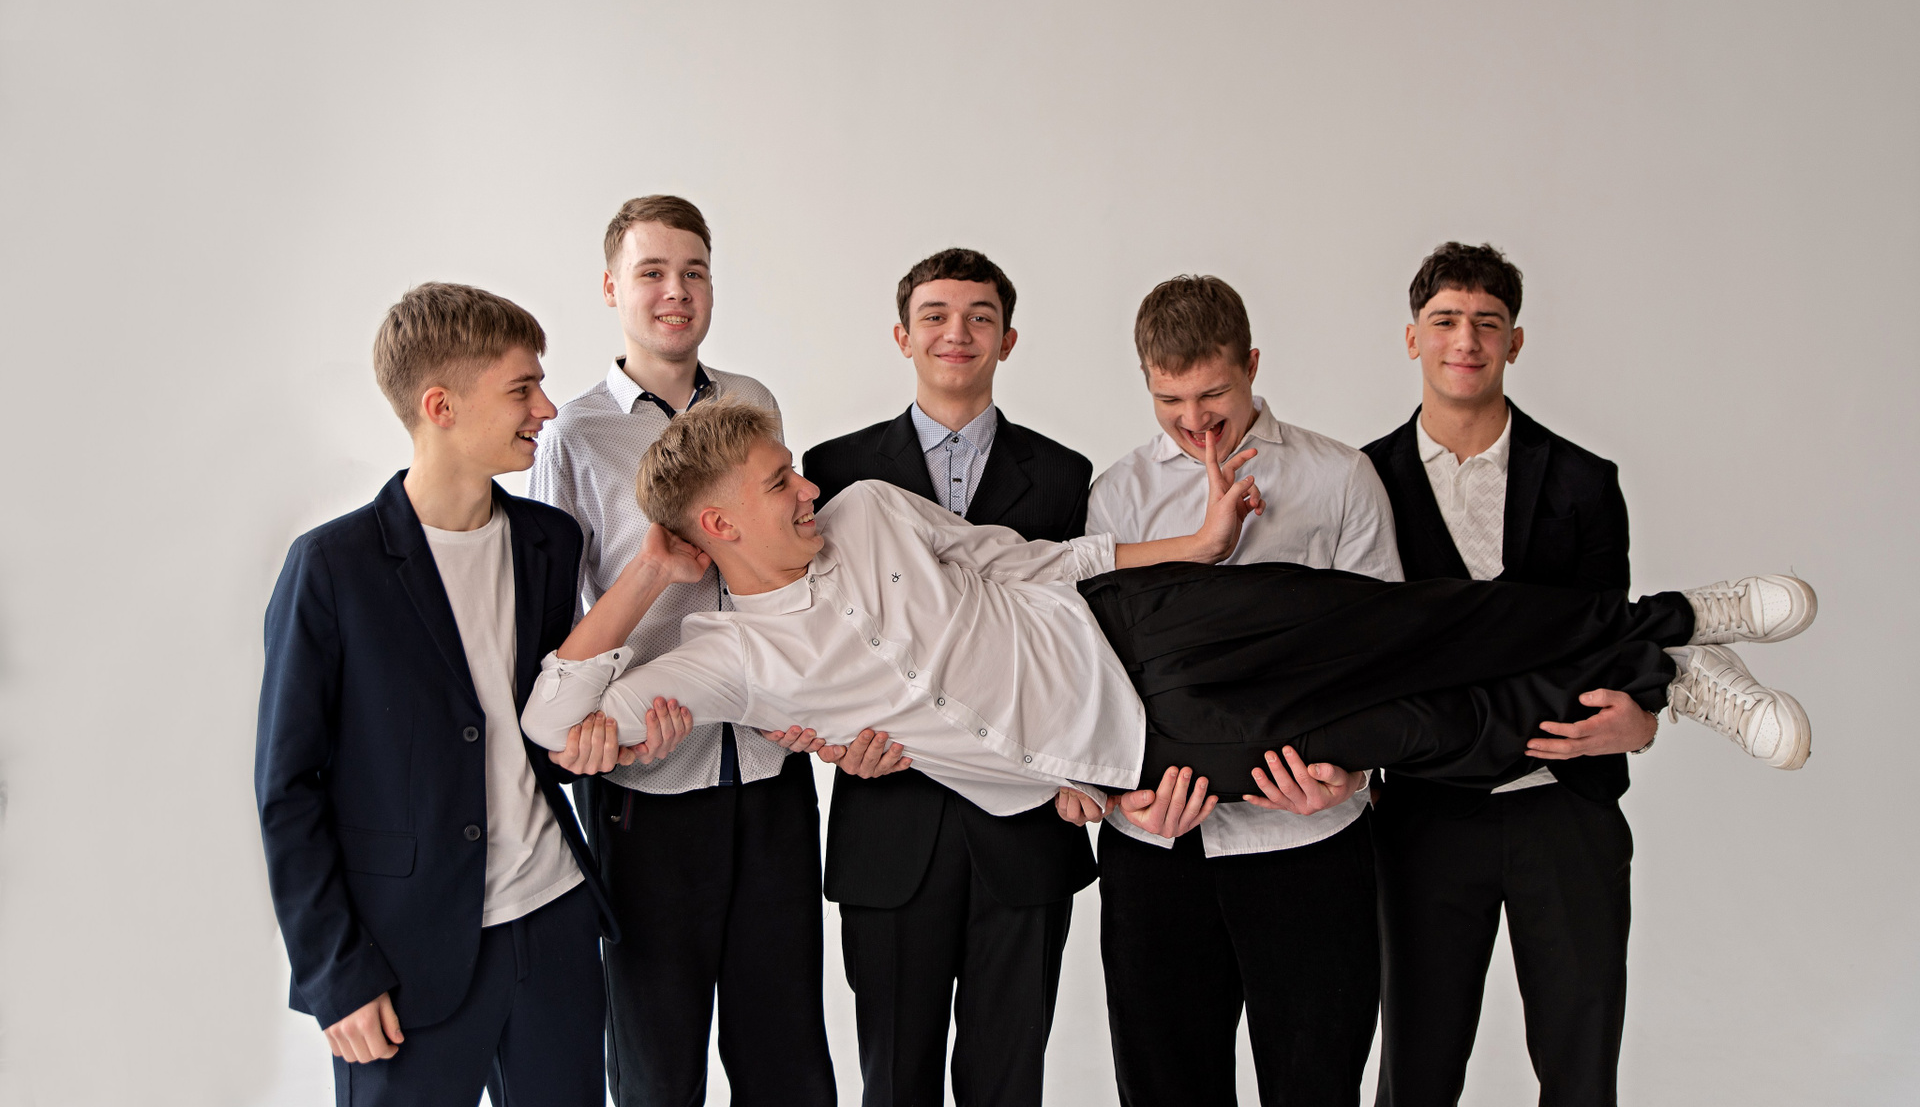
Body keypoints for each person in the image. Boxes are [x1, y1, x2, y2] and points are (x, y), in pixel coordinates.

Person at [518, 398, 1815, 846]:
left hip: (1142, 620)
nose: (806, 484)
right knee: (1420, 731)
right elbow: (554, 721)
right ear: (719, 525)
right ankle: (1669, 676)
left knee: (1413, 623)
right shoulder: (729, 662)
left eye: (794, 467)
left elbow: (1031, 556)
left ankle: (1673, 619)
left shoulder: (864, 508)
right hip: (1151, 748)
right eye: (775, 484)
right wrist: (648, 577)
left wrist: (1188, 547)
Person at [1359, 243, 1749, 1107]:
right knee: (1415, 1074)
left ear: (1516, 341)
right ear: (1413, 337)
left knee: (1580, 1074)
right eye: (1445, 321)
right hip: (1426, 814)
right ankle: (1691, 638)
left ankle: (1690, 658)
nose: (1466, 340)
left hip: (1564, 810)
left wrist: (1641, 716)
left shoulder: (1583, 481)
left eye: (1487, 323)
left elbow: (1602, 639)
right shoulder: (1361, 482)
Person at [256, 283, 648, 1107]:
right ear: (440, 406)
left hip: (555, 926)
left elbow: (536, 726)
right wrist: (336, 974)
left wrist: (590, 744)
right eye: (521, 389)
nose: (546, 408)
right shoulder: (331, 569)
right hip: (404, 955)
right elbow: (289, 789)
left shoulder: (550, 541)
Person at [527, 196, 836, 1107]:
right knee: (658, 1070)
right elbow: (556, 627)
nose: (676, 291)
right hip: (646, 785)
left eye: (693, 272)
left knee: (788, 1061)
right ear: (611, 287)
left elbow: (787, 563)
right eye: (653, 272)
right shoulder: (574, 434)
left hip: (772, 770)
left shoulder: (753, 403)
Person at [1082, 274, 1403, 1106]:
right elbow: (1091, 669)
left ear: (1252, 365)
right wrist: (1117, 798)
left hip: (1308, 843)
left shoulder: (1341, 478)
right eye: (1169, 400)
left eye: (1213, 394)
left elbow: (1383, 656)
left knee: (1316, 1088)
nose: (1194, 420)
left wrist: (1352, 775)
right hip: (1159, 850)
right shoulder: (1117, 493)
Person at [803, 249, 1096, 1107]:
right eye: (934, 315)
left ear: (1008, 339)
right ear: (903, 336)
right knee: (895, 1083)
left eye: (979, 317)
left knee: (1009, 1087)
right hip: (889, 822)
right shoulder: (834, 468)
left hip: (1027, 831)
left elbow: (1079, 642)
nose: (956, 333)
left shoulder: (1066, 475)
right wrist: (832, 740)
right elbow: (814, 633)